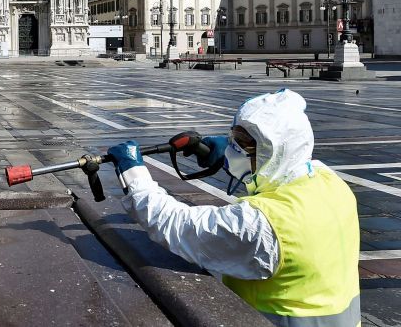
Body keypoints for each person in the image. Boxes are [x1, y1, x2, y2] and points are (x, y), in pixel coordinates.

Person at [107, 88, 360, 326]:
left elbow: (178, 226)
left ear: (273, 152)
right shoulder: (330, 182)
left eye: (244, 143)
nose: (235, 148)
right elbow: (280, 167)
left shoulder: (264, 225)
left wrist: (134, 175)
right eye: (234, 139)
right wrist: (229, 152)